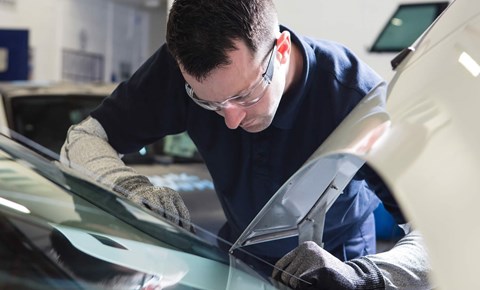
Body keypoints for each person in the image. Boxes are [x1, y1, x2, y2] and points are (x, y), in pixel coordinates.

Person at [60, 0, 431, 288]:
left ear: (281, 51)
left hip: (339, 272)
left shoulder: (356, 100)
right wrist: (126, 186)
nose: (231, 119)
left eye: (245, 96)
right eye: (209, 103)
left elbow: (439, 237)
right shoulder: (184, 69)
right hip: (236, 267)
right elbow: (83, 139)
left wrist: (366, 277)